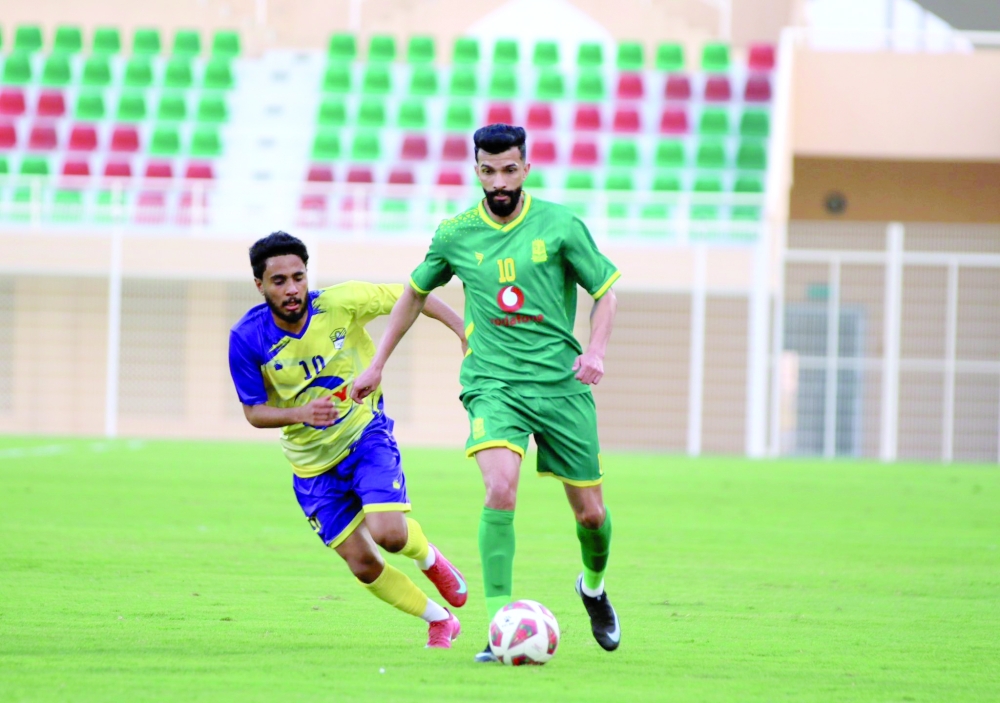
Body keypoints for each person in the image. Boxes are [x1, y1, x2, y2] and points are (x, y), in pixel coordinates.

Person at [352, 124, 622, 662]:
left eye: (509, 169)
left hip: (560, 388)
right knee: (500, 488)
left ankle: (592, 587)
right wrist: (378, 362)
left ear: (525, 168)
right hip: (493, 384)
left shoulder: (562, 225)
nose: (499, 181)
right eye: (488, 170)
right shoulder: (454, 233)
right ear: (477, 170)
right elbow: (412, 295)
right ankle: (501, 624)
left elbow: (606, 292)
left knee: (590, 514)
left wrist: (594, 351)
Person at [228, 231, 470, 649]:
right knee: (362, 565)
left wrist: (463, 332)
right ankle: (439, 620)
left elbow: (415, 295)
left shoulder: (341, 302)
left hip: (364, 433)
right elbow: (253, 412)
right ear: (259, 285)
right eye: (279, 281)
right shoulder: (247, 338)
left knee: (390, 536)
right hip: (309, 464)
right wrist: (299, 414)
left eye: (298, 277)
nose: (292, 289)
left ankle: (431, 559)